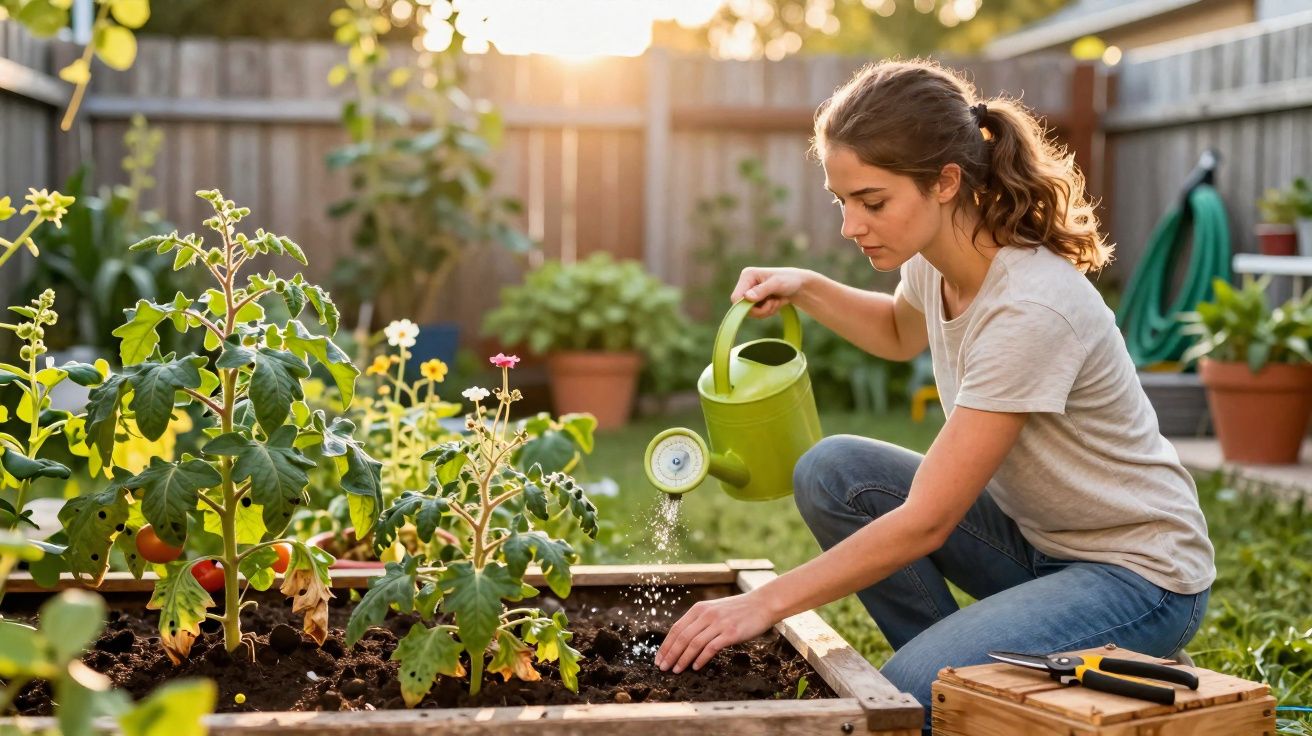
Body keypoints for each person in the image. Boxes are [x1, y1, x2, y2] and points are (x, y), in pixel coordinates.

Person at [653, 58, 1214, 731]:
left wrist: (762, 603)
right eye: (843, 201)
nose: (850, 226)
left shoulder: (1031, 308)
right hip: (1036, 546)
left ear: (946, 181)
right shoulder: (936, 260)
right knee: (834, 473)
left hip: (1139, 577)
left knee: (906, 691)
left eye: (872, 201)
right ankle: (970, 681)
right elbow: (896, 331)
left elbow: (927, 520)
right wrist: (806, 285)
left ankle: (950, 682)